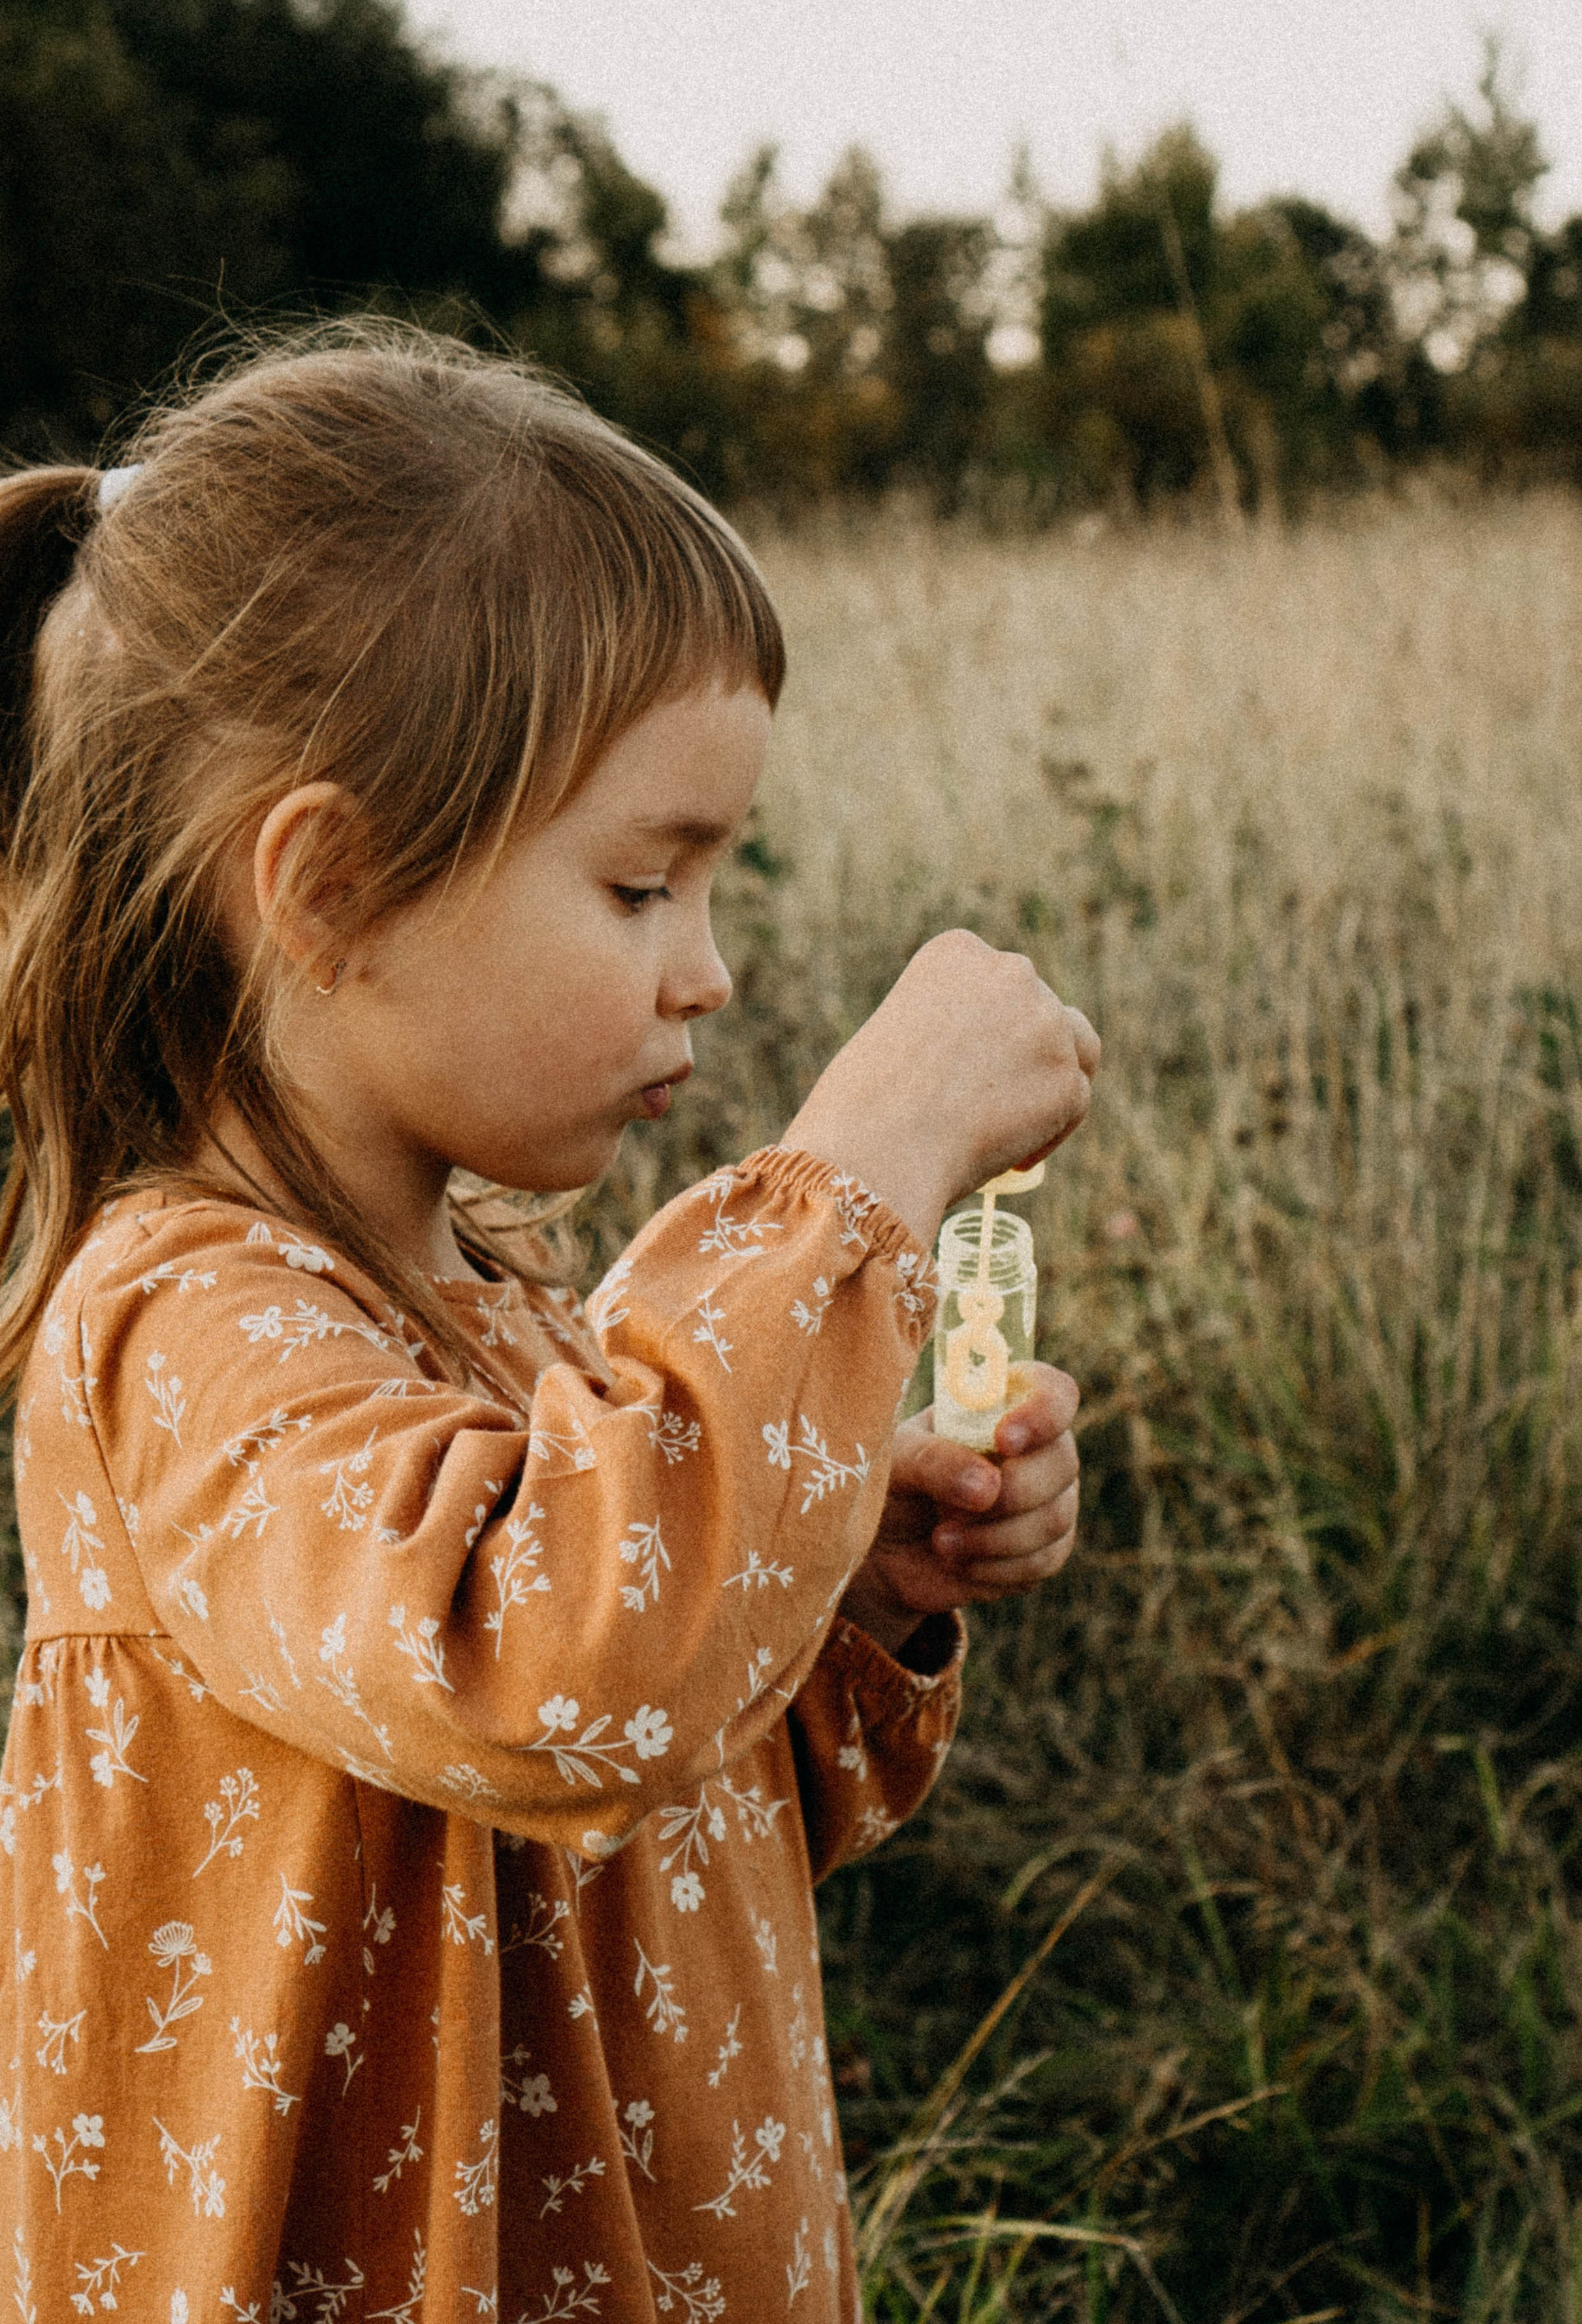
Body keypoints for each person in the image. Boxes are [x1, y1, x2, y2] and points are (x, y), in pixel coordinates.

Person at [0, 327, 1097, 2323]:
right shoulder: (178, 1329)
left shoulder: (505, 1327)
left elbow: (658, 1777)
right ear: (328, 889)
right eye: (640, 886)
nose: (712, 971)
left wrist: (847, 1581)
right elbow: (558, 1666)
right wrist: (854, 1176)